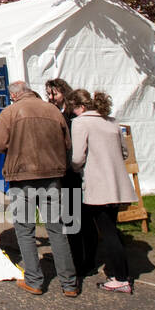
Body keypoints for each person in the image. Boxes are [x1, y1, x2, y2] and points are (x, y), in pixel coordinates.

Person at [0, 80, 79, 297]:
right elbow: (68, 144)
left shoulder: (10, 112)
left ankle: (34, 281)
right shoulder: (54, 111)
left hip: (22, 177)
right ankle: (69, 284)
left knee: (25, 230)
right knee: (57, 230)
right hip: (52, 176)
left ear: (14, 96)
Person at [69, 89, 137, 294]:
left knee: (107, 233)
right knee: (111, 229)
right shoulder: (111, 121)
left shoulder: (81, 123)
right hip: (116, 181)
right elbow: (125, 152)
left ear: (79, 107)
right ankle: (119, 273)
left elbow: (78, 157)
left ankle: (121, 277)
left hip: (97, 183)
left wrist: (74, 168)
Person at [46, 77, 95, 277]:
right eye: (49, 93)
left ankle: (83, 261)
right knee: (72, 217)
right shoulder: (60, 113)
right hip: (67, 170)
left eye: (54, 93)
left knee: (78, 217)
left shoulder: (71, 115)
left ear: (63, 92)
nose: (51, 97)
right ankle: (77, 257)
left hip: (74, 171)